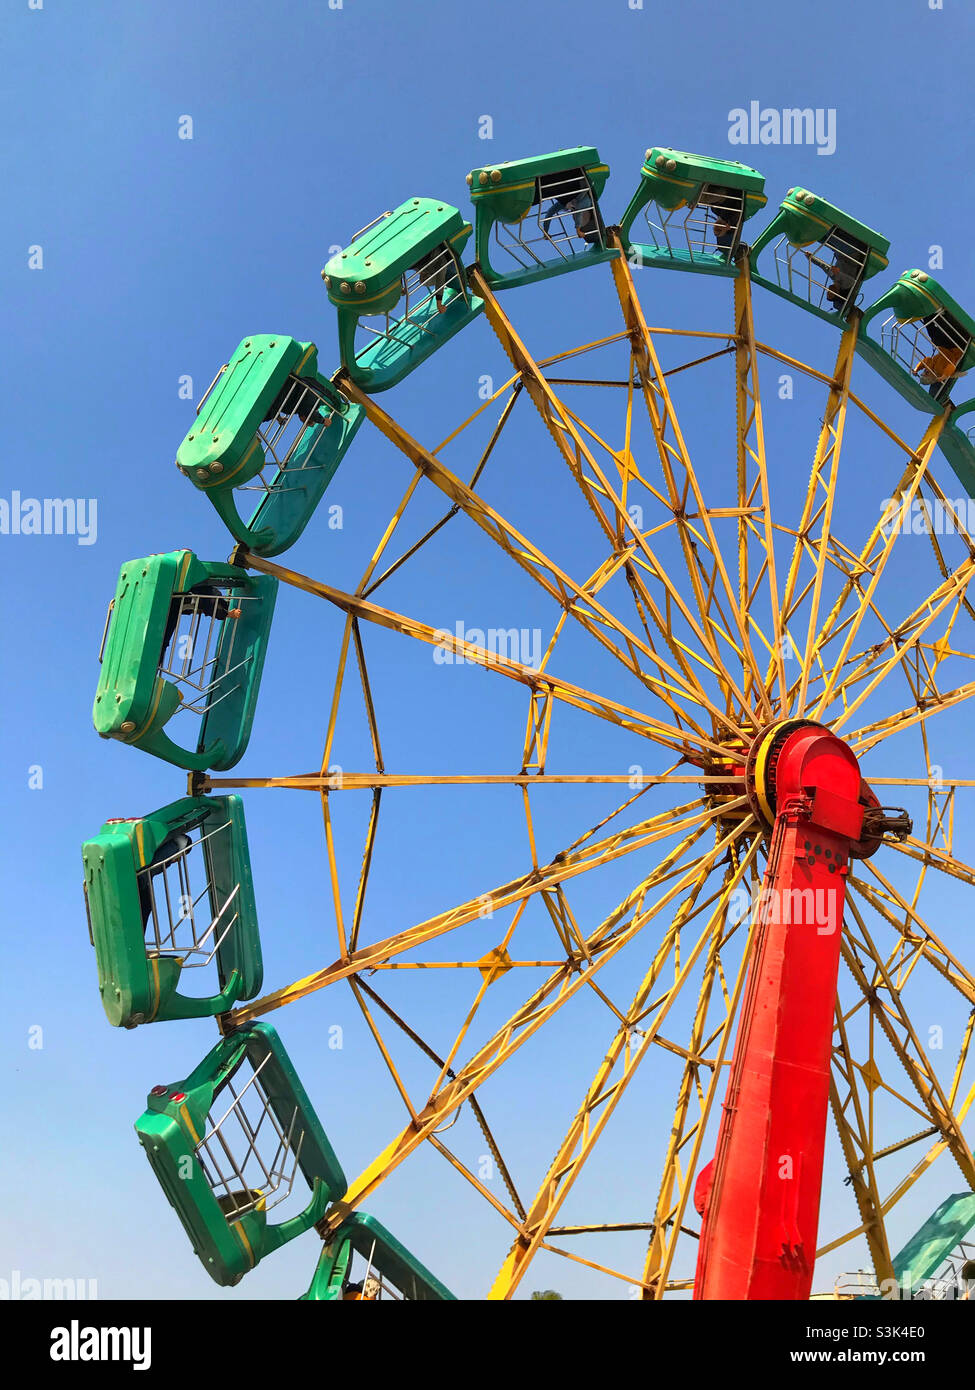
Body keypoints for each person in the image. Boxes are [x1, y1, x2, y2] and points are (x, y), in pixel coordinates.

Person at [913, 312, 965, 399]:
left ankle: (927, 315)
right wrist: (945, 375)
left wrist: (916, 369)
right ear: (931, 377)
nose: (925, 372)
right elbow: (951, 366)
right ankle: (941, 316)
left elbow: (925, 360)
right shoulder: (940, 371)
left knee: (933, 336)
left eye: (923, 373)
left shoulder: (930, 366)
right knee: (938, 337)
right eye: (926, 374)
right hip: (955, 348)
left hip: (944, 347)